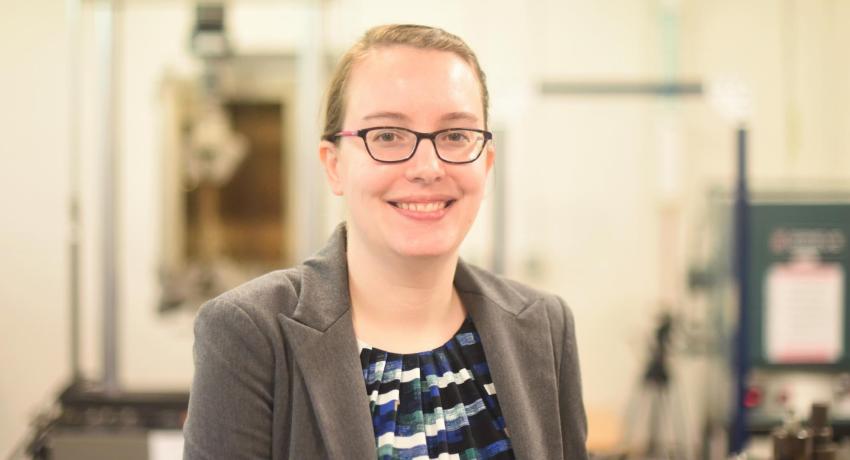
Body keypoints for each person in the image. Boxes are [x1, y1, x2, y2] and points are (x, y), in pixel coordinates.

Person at [183, 24, 587, 460]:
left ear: (486, 163)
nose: (427, 167)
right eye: (388, 136)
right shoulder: (249, 334)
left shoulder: (544, 325)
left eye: (455, 135)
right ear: (334, 164)